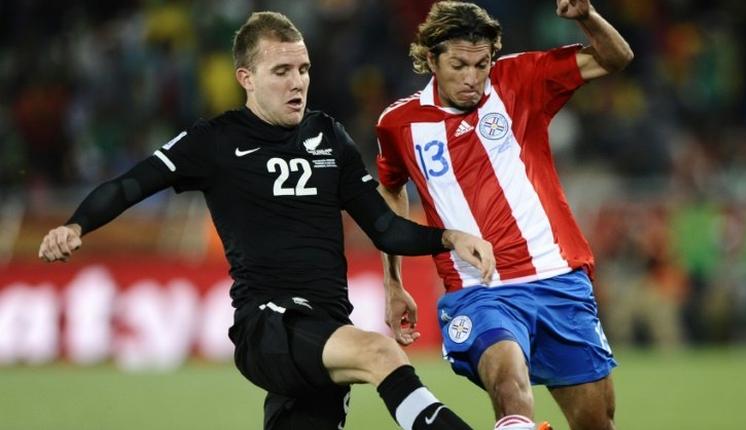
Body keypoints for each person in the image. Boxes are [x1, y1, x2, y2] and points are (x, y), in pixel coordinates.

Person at [38, 11, 496, 430]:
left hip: (326, 328)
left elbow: (385, 228)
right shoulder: (215, 141)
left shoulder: (328, 137)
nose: (297, 82)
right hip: (268, 326)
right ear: (247, 78)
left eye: (303, 69)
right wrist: (76, 225)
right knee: (379, 352)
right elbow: (131, 184)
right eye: (281, 72)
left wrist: (449, 237)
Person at [376, 1, 633, 430]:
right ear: (431, 59)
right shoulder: (399, 124)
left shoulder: (521, 79)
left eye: (482, 64)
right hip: (480, 288)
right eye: (459, 64)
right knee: (510, 386)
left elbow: (616, 58)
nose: (473, 77)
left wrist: (586, 16)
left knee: (596, 422)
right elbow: (390, 189)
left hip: (558, 278)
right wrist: (393, 281)